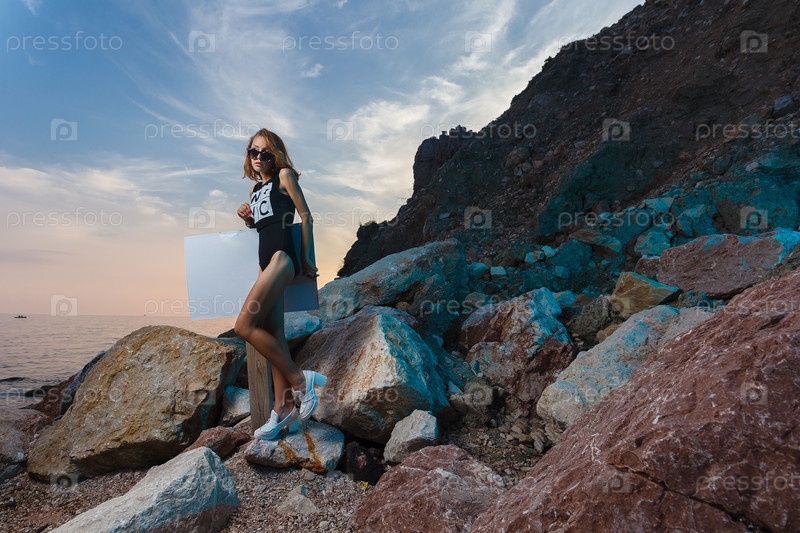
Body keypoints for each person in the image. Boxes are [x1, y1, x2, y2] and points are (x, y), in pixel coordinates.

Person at [233, 127, 326, 440]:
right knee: (275, 336)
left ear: (276, 156)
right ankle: (283, 410)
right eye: (253, 152)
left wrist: (307, 258)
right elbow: (265, 225)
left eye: (265, 153)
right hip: (265, 265)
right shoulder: (254, 191)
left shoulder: (285, 177)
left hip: (282, 259)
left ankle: (301, 380)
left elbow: (306, 216)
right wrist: (248, 220)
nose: (258, 157)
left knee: (243, 326)